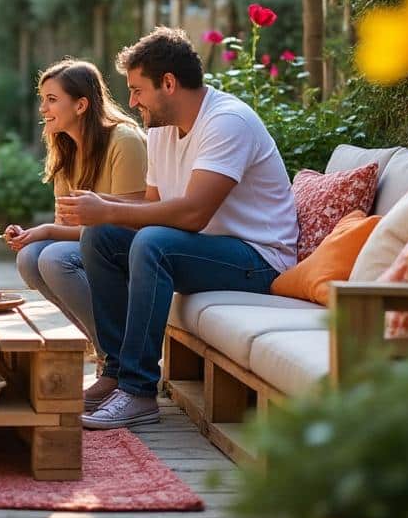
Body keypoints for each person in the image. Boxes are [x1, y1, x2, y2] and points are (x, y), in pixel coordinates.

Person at [57, 28, 297, 429]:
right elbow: (153, 204)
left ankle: (138, 391)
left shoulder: (227, 122)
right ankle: (116, 372)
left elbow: (191, 215)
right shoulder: (162, 130)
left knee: (154, 243)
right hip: (204, 250)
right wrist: (98, 207)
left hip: (258, 259)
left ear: (168, 83)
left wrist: (108, 209)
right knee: (99, 236)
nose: (131, 102)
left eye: (137, 90)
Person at [5, 59, 146, 361]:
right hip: (90, 243)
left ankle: (122, 354)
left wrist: (45, 231)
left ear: (81, 105)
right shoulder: (66, 150)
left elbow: (134, 220)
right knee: (30, 257)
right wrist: (35, 234)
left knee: (55, 258)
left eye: (52, 100)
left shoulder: (125, 140)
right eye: (42, 100)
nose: (43, 109)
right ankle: (106, 348)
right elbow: (66, 226)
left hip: (129, 248)